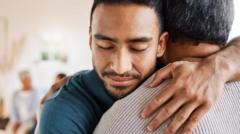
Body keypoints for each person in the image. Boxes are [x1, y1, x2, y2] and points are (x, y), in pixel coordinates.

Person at [39, 0, 240, 133]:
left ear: (161, 44)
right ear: (90, 40)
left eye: (138, 47)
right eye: (105, 46)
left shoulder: (171, 67)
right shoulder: (61, 111)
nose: (120, 67)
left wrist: (217, 67)